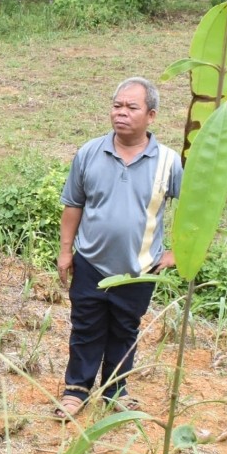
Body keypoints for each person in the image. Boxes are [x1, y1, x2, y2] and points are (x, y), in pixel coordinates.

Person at [56, 77, 183, 418]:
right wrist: (66, 251)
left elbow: (194, 210)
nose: (121, 113)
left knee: (125, 330)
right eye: (117, 105)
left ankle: (116, 391)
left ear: (151, 115)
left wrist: (178, 254)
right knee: (85, 327)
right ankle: (76, 391)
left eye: (131, 107)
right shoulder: (89, 153)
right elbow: (73, 205)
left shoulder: (169, 162)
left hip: (140, 268)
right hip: (91, 263)